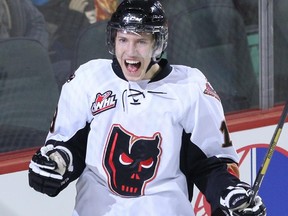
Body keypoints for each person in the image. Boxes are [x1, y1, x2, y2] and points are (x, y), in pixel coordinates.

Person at [28, 0, 267, 215]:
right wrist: (56, 163)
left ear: (158, 43)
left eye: (141, 41)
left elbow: (211, 164)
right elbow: (67, 145)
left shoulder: (190, 88)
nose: (130, 52)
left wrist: (230, 194)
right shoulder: (88, 79)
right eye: (123, 40)